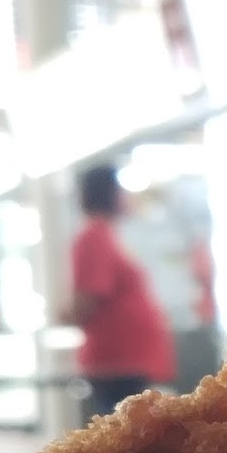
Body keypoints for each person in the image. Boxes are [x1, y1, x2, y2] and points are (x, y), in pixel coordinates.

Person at [68, 164, 175, 419]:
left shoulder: (104, 235)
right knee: (127, 440)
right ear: (110, 193)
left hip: (128, 361)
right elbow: (86, 302)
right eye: (121, 190)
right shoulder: (93, 236)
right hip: (117, 363)